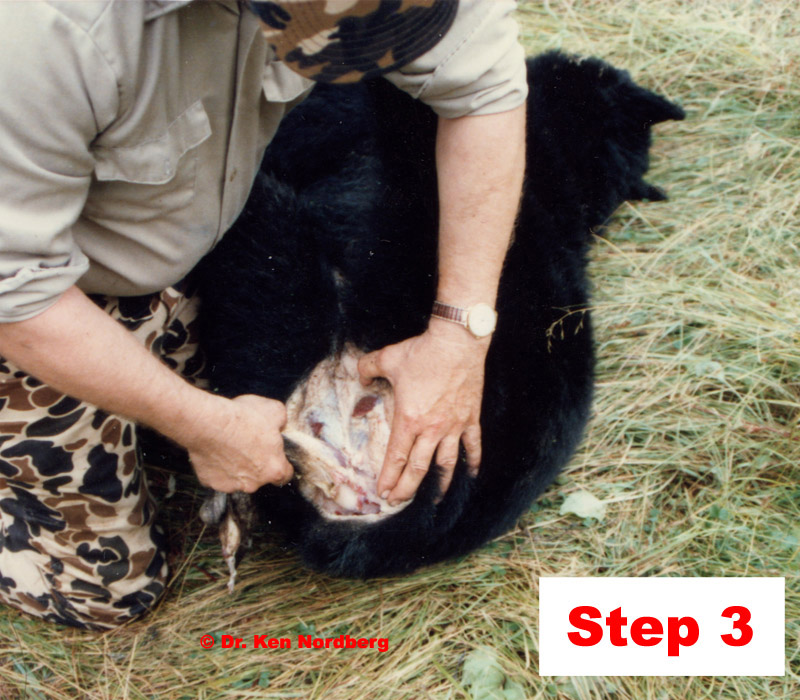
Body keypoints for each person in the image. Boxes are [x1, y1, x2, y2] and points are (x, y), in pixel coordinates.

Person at [0, 0, 527, 629]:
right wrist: (203, 426)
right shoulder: (45, 32)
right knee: (103, 595)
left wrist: (459, 331)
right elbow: (16, 290)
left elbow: (486, 89)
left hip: (171, 235)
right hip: (29, 290)